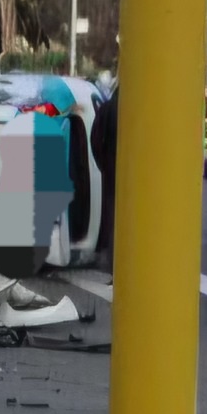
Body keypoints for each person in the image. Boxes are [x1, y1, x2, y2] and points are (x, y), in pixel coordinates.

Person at [90, 84, 119, 275]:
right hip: (137, 174)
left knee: (111, 215)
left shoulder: (108, 108)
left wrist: (102, 164)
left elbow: (94, 138)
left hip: (111, 168)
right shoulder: (140, 109)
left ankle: (112, 261)